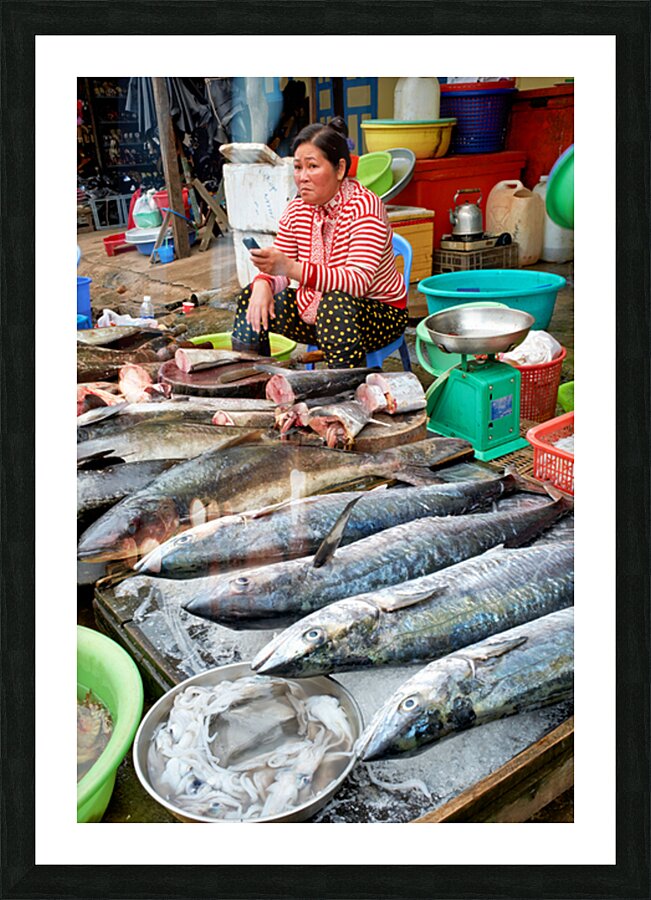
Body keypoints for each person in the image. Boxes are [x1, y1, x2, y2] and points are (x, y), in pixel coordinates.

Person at [231, 117, 408, 368]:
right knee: (252, 297)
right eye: (298, 167)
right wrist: (264, 282)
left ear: (339, 169)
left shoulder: (365, 207)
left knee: (335, 304)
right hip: (316, 312)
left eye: (312, 166)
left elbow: (356, 282)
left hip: (377, 314)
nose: (302, 177)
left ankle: (345, 393)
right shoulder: (296, 209)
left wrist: (290, 268)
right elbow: (280, 262)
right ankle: (252, 381)